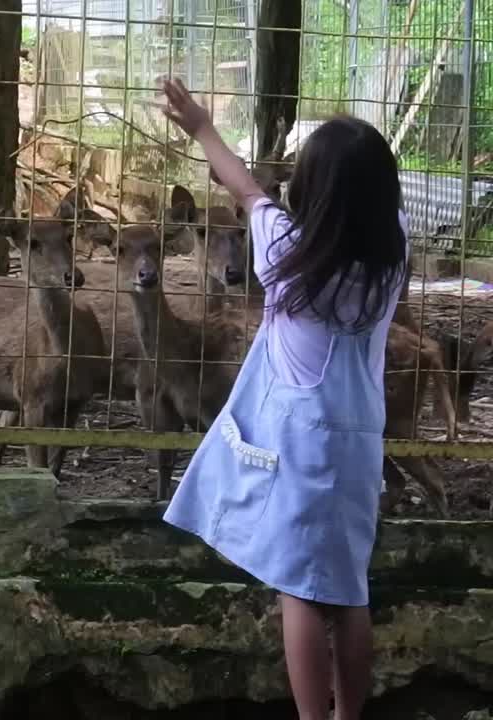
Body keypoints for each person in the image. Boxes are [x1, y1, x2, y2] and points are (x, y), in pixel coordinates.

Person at [157, 77, 410, 720]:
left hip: (301, 443)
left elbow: (245, 187)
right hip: (360, 441)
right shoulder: (393, 258)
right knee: (349, 591)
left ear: (309, 195)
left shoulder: (284, 252)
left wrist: (203, 129)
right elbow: (362, 205)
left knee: (298, 589)